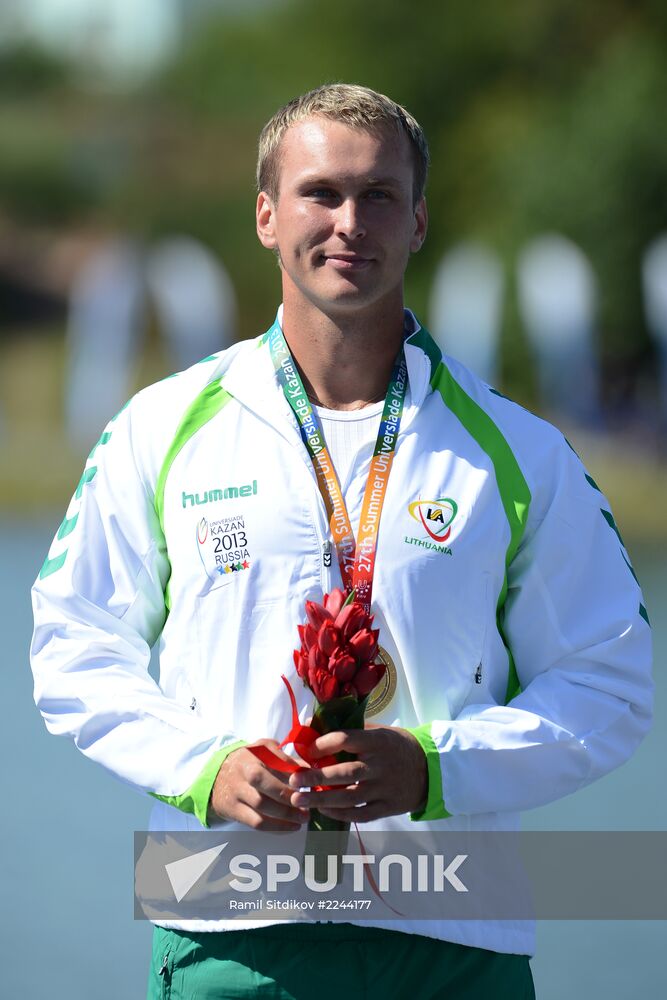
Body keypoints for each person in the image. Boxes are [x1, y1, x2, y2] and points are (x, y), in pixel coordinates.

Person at [30, 84, 653, 999]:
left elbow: (610, 680)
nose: (348, 222)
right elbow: (72, 646)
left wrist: (439, 768)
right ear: (265, 214)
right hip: (226, 928)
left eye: (379, 196)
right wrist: (200, 770)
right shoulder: (158, 429)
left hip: (451, 938)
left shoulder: (519, 452)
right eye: (320, 192)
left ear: (419, 222)